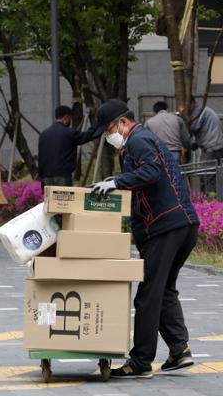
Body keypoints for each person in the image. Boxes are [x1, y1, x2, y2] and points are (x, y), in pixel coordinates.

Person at [92, 99, 200, 379]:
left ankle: (140, 362)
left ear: (123, 123)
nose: (108, 136)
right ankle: (179, 352)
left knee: (149, 295)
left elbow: (151, 172)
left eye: (108, 130)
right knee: (164, 290)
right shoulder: (139, 141)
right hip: (182, 225)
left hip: (165, 227)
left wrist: (117, 181)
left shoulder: (138, 140)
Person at [38, 105, 99, 188]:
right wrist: (98, 124)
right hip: (63, 176)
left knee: (50, 201)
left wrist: (41, 176)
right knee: (64, 200)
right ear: (66, 117)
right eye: (70, 118)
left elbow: (40, 158)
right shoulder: (69, 133)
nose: (70, 121)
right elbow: (86, 136)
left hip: (46, 177)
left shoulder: (44, 134)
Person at [145, 101, 191, 165]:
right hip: (175, 153)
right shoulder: (177, 119)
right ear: (167, 109)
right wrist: (187, 154)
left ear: (154, 112)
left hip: (158, 155)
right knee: (175, 173)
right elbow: (186, 139)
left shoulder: (149, 122)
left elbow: (145, 141)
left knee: (161, 174)